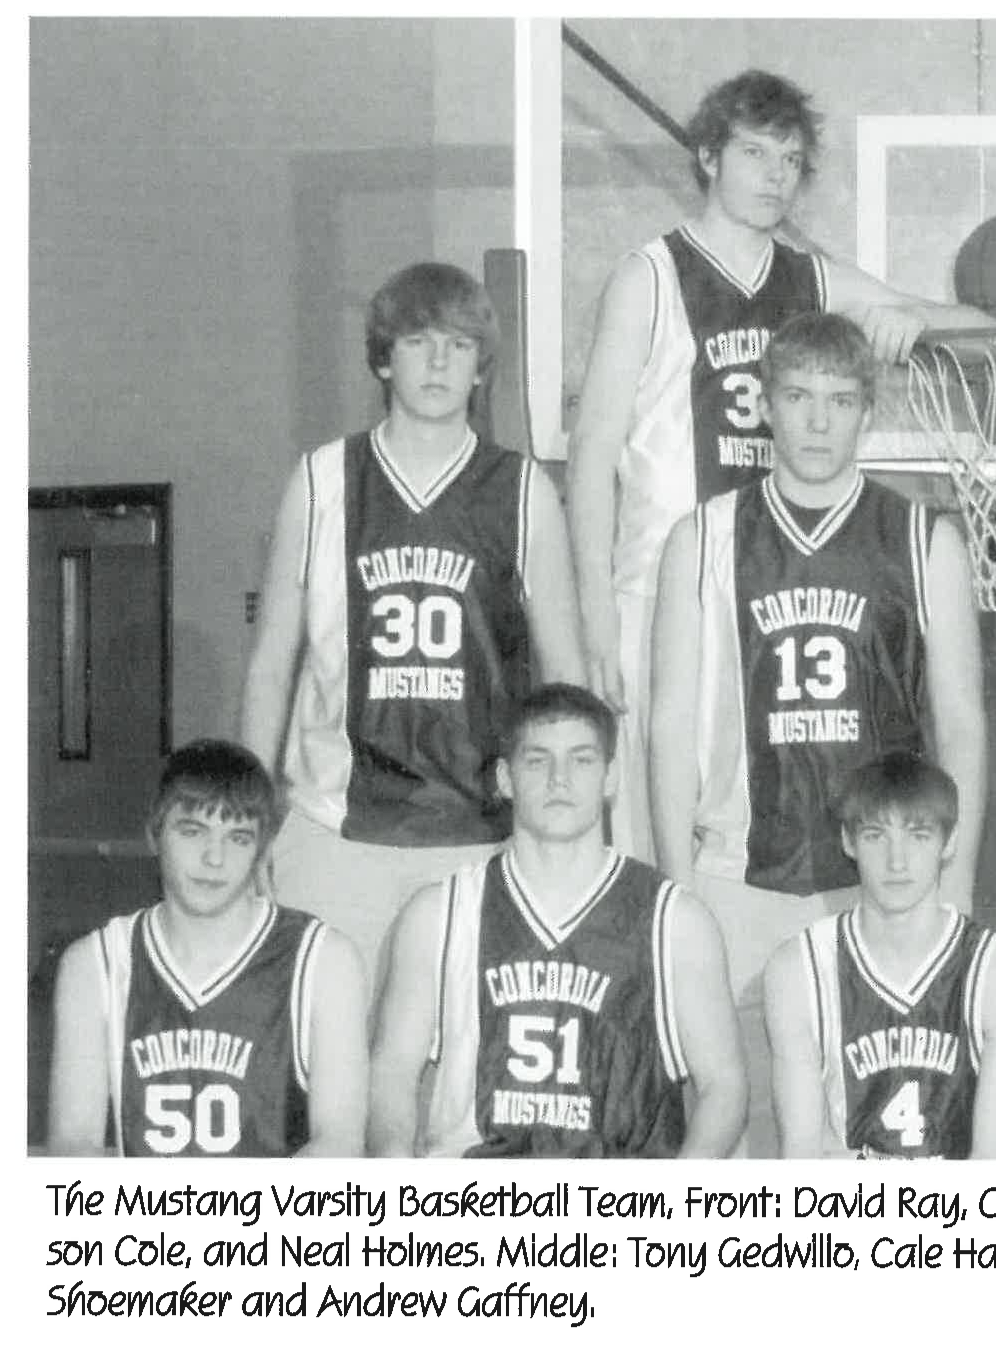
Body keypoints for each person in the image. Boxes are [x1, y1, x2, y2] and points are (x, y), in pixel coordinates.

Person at [568, 69, 994, 858]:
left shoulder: (812, 279)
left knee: (763, 839)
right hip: (658, 588)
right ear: (707, 157)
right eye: (754, 153)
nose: (774, 176)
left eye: (790, 160)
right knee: (651, 842)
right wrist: (594, 612)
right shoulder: (648, 277)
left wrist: (908, 318)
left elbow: (975, 325)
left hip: (774, 595)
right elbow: (592, 452)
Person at [651, 310, 984, 1155]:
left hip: (885, 879)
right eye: (798, 397)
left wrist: (956, 885)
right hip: (737, 873)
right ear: (763, 405)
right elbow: (669, 728)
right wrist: (677, 894)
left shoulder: (922, 538)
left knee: (876, 1137)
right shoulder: (700, 539)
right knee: (739, 1132)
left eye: (839, 400)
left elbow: (962, 727)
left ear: (867, 411)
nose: (817, 420)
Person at [240, 261, 583, 996]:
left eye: (459, 345)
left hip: (478, 833)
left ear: (481, 368)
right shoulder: (322, 481)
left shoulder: (523, 490)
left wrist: (579, 831)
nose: (438, 362)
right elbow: (271, 662)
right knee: (330, 1049)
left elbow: (565, 680)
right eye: (419, 342)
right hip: (336, 830)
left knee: (465, 1058)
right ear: (382, 358)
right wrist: (250, 813)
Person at [368, 684, 744, 1157]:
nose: (559, 780)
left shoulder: (675, 921)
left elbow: (724, 1088)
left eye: (582, 760)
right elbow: (391, 1074)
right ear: (504, 779)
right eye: (537, 761)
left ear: (610, 778)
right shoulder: (439, 914)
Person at [47, 740, 366, 1156]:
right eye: (193, 831)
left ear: (262, 850)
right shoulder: (96, 964)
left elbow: (340, 1144)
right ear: (154, 833)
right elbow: (74, 1144)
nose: (215, 857)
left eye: (238, 838)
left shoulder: (323, 959)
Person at [761, 753, 996, 1158]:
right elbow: (801, 1152)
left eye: (918, 835)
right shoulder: (798, 970)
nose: (897, 861)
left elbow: (992, 1162)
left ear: (950, 842)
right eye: (876, 836)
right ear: (847, 841)